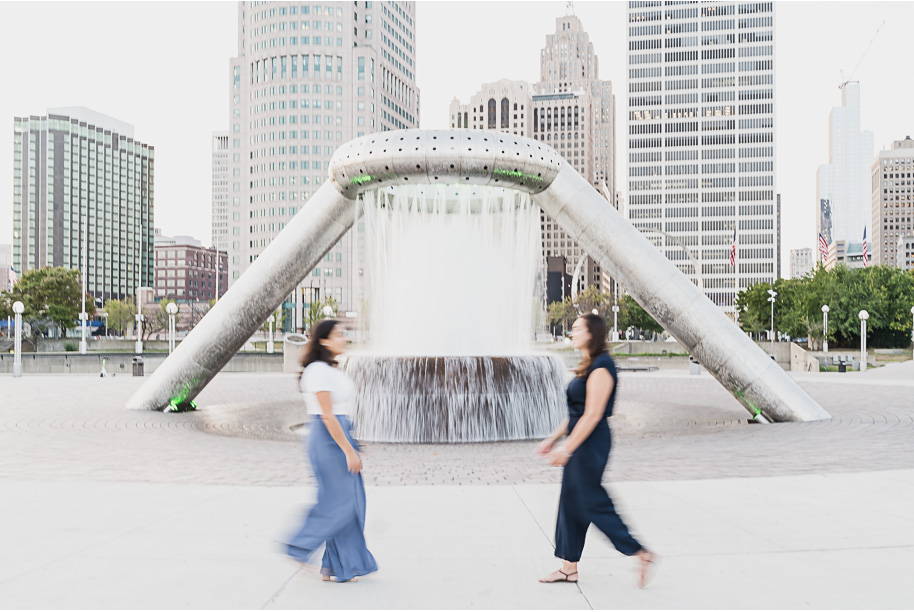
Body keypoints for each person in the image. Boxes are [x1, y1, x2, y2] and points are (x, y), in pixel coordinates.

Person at [538, 313, 655, 587]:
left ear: (592, 334)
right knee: (571, 502)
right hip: (580, 439)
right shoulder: (588, 364)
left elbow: (592, 416)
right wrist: (553, 440)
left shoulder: (602, 367)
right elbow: (576, 415)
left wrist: (566, 450)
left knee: (592, 502)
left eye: (577, 328)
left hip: (590, 443)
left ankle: (639, 551)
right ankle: (569, 567)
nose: (572, 332)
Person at [284, 319, 377, 583]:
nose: (344, 338)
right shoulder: (317, 370)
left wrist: (353, 443)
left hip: (339, 435)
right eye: (339, 334)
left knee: (351, 501)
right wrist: (348, 450)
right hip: (327, 439)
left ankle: (333, 567)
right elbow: (327, 415)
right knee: (341, 502)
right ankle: (299, 545)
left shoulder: (331, 369)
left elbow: (340, 413)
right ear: (323, 340)